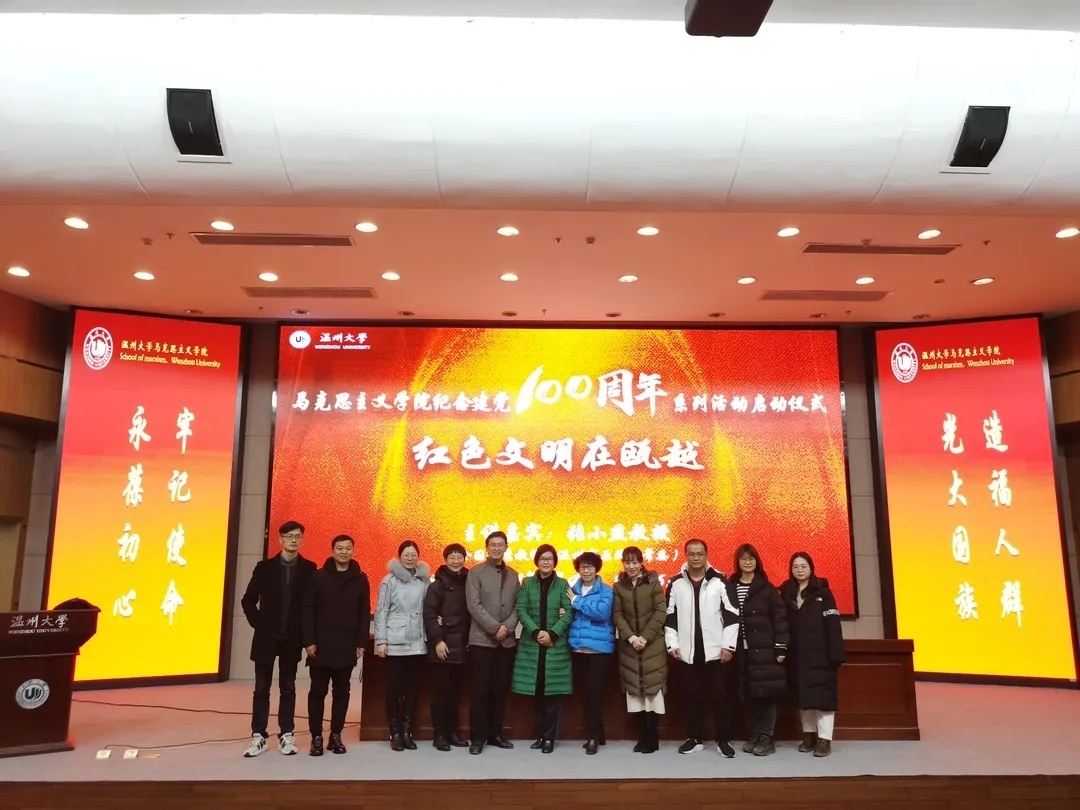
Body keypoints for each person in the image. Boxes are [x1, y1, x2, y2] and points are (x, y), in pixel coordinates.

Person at [240, 520, 317, 757]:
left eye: (298, 536)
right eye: (289, 536)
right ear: (280, 539)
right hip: (266, 638)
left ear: (302, 540)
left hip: (291, 638)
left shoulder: (309, 569)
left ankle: (286, 734)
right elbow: (248, 600)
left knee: (288, 687)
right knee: (261, 688)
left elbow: (311, 605)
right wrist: (260, 625)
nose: (294, 540)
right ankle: (258, 736)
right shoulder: (264, 568)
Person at [664, 538, 740, 758]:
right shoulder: (676, 583)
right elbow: (670, 616)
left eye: (699, 554)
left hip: (716, 652)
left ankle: (723, 739)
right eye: (691, 554)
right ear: (685, 555)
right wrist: (672, 643)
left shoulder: (720, 581)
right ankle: (694, 738)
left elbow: (732, 615)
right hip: (687, 652)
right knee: (691, 696)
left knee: (720, 696)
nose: (695, 558)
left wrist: (728, 646)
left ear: (706, 555)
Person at [301, 534, 370, 756]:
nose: (344, 552)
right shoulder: (318, 577)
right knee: (317, 692)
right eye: (339, 548)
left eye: (348, 548)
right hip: (320, 645)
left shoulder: (361, 578)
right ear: (332, 551)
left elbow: (364, 612)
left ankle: (336, 735)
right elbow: (307, 610)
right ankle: (316, 737)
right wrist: (308, 641)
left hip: (346, 645)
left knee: (342, 692)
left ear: (353, 551)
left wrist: (361, 642)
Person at [780, 551, 846, 758]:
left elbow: (833, 625)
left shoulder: (823, 592)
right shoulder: (787, 592)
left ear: (811, 568)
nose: (799, 570)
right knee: (803, 697)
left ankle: (824, 739)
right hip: (797, 656)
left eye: (803, 566)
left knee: (823, 699)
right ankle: (808, 736)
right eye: (795, 567)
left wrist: (835, 655)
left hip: (821, 655)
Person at [511, 544, 574, 754]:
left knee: (552, 695)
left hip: (555, 646)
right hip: (532, 646)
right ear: (536, 561)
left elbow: (569, 611)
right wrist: (537, 632)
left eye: (550, 559)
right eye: (542, 558)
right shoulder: (527, 583)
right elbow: (521, 609)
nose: (546, 562)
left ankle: (549, 738)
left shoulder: (563, 584)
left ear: (555, 562)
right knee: (537, 693)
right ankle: (540, 735)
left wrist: (552, 634)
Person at [727, 543, 789, 757]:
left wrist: (781, 646)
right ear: (738, 562)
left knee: (766, 694)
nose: (747, 562)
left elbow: (780, 618)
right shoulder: (730, 586)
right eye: (743, 558)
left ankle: (766, 736)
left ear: (757, 562)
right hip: (740, 652)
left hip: (764, 650)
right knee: (749, 694)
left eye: (751, 558)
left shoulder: (767, 588)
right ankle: (756, 732)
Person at [465, 530, 520, 754]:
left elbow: (518, 606)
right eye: (493, 545)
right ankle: (478, 738)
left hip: (505, 643)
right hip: (481, 642)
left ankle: (495, 734)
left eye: (501, 545)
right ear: (486, 548)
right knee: (480, 691)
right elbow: (473, 604)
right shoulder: (475, 572)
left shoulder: (513, 575)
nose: (497, 548)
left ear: (506, 547)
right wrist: (495, 628)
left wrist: (507, 627)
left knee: (499, 691)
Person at [374, 540, 430, 751]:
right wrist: (381, 641)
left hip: (418, 642)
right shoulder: (389, 581)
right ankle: (395, 732)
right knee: (394, 689)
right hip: (395, 641)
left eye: (413, 554)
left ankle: (407, 731)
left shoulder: (424, 581)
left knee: (413, 689)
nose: (410, 558)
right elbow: (381, 611)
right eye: (406, 554)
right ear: (399, 557)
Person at [612, 545, 667, 754]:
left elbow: (660, 612)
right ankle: (641, 736)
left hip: (652, 645)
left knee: (653, 693)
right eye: (627, 562)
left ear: (641, 563)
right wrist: (632, 638)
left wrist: (644, 637)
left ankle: (653, 736)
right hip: (630, 646)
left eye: (635, 562)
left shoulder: (653, 583)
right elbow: (618, 615)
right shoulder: (619, 587)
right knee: (635, 693)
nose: (631, 566)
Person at [424, 543, 471, 751]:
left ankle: (452, 733)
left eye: (459, 557)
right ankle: (440, 735)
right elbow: (429, 615)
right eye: (451, 557)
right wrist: (438, 640)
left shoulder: (470, 582)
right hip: (442, 647)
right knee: (440, 694)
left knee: (455, 694)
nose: (456, 561)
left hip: (462, 646)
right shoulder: (437, 585)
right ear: (445, 560)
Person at [567, 551, 615, 755]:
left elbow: (602, 613)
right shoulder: (572, 590)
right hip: (578, 649)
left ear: (597, 569)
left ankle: (593, 737)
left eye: (590, 567)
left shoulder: (606, 590)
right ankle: (598, 733)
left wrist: (577, 602)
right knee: (586, 695)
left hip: (598, 651)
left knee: (595, 695)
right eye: (582, 567)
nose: (586, 570)